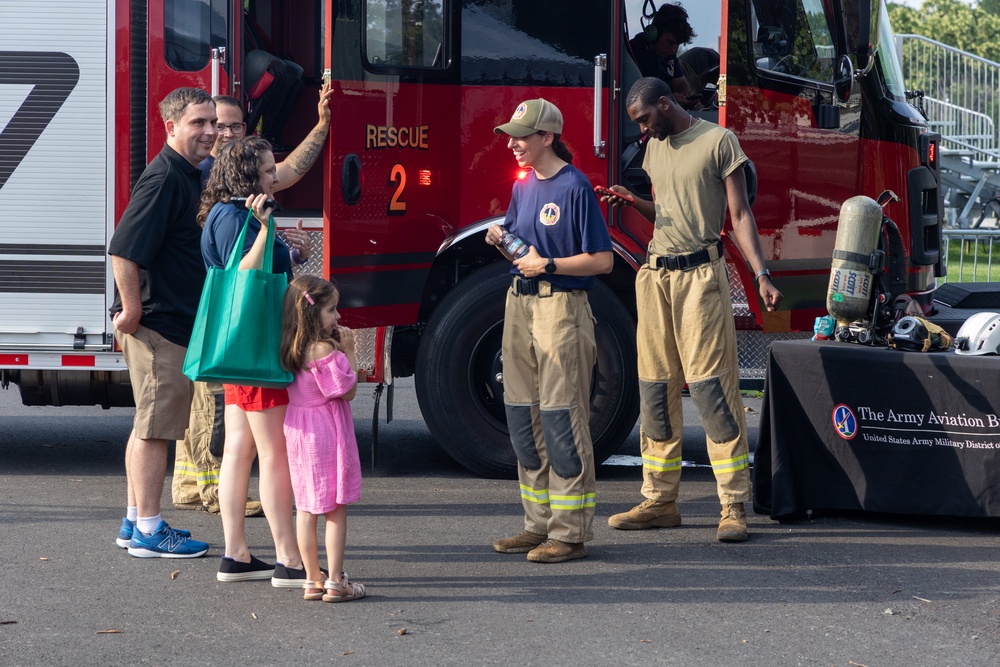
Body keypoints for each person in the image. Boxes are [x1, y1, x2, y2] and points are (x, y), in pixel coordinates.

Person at [602, 77, 782, 542]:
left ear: (664, 103)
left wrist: (761, 275)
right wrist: (634, 201)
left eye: (645, 119)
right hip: (655, 276)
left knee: (711, 388)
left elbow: (738, 215)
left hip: (701, 278)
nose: (642, 130)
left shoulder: (719, 141)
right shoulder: (654, 147)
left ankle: (732, 504)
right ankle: (660, 501)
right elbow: (667, 210)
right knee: (656, 389)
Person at [172, 83, 332, 516]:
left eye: (231, 125)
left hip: (240, 335)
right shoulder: (228, 208)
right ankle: (268, 542)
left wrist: (321, 125)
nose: (221, 133)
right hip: (243, 339)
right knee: (251, 441)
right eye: (211, 125)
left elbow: (286, 172)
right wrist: (265, 231)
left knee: (236, 438)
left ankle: (227, 531)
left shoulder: (237, 198)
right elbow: (242, 273)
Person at [486, 99, 614, 564]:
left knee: (562, 419)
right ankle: (537, 525)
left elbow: (602, 261)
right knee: (523, 416)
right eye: (511, 135)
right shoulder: (524, 187)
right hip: (520, 304)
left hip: (561, 309)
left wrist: (552, 264)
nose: (513, 143)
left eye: (522, 135)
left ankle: (570, 533)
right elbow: (526, 252)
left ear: (547, 137)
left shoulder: (575, 188)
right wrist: (503, 241)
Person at [108, 87, 216, 558]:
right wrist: (131, 311)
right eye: (198, 123)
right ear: (171, 127)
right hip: (159, 326)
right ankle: (150, 532)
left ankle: (135, 522)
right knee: (156, 431)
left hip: (169, 325)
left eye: (213, 122)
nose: (210, 131)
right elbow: (123, 250)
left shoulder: (188, 173)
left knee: (145, 426)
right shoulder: (165, 178)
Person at [198, 136, 305, 585]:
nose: (274, 175)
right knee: (274, 454)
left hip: (244, 351)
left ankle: (237, 555)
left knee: (240, 451)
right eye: (266, 170)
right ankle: (289, 561)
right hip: (258, 347)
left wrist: (283, 244)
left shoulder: (229, 214)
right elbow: (243, 274)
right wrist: (265, 230)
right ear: (245, 177)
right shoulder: (235, 217)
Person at [280, 275, 366, 603]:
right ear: (312, 313)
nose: (339, 317)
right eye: (332, 310)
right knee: (334, 509)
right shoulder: (324, 349)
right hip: (326, 432)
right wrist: (351, 352)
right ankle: (335, 581)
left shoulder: (291, 346)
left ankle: (312, 579)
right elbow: (346, 391)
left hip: (298, 432)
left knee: (305, 507)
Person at [628, 3, 702, 110]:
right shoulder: (635, 52)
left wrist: (689, 96)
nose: (675, 50)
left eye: (678, 44)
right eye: (670, 43)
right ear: (654, 33)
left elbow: (680, 83)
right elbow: (638, 96)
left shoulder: (669, 55)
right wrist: (670, 99)